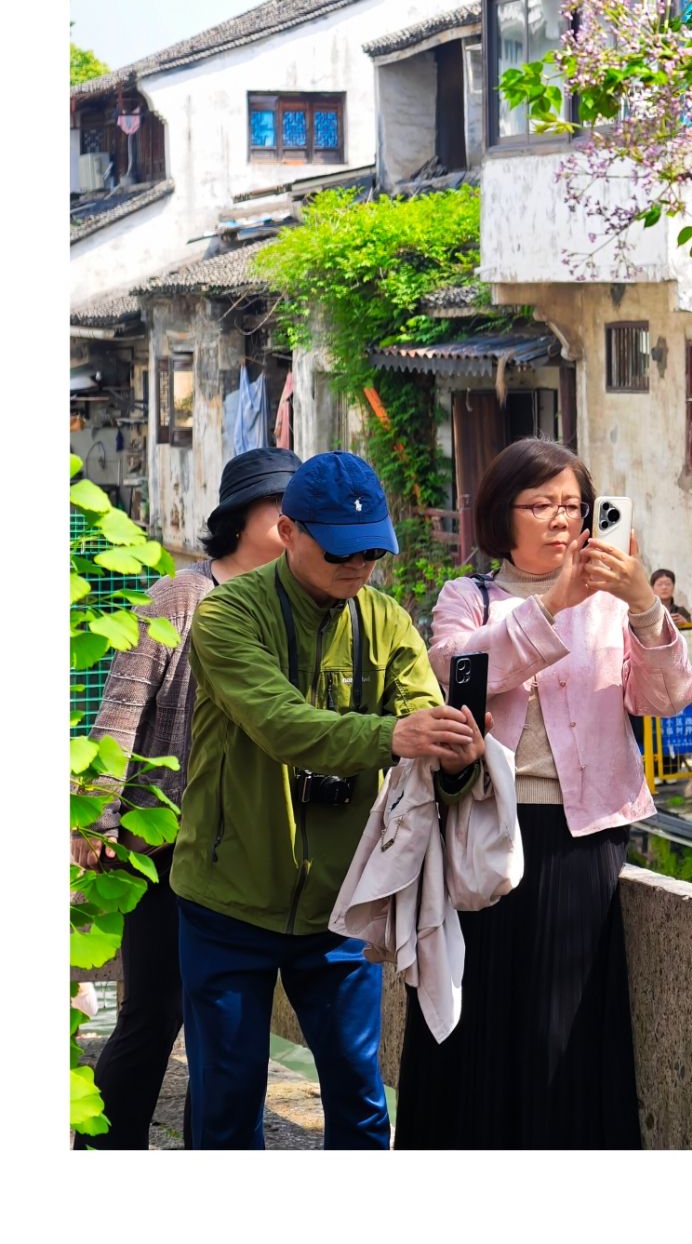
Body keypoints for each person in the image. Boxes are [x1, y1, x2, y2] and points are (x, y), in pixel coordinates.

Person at [170, 451, 483, 1150]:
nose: (359, 566)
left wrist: (457, 758)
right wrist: (396, 736)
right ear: (288, 533)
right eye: (342, 550)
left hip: (342, 903)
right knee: (227, 1103)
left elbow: (423, 722)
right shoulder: (226, 615)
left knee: (361, 1099)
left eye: (373, 550)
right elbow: (283, 725)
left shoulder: (387, 620)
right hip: (227, 898)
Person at [393, 437, 692, 1150]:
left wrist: (643, 607)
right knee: (471, 1012)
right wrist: (557, 600)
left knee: (565, 1023)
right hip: (483, 830)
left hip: (584, 836)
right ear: (504, 514)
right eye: (541, 505)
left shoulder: (613, 607)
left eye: (573, 505)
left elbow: (664, 699)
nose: (562, 519)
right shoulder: (467, 598)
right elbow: (460, 674)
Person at [72, 446, 301, 1151]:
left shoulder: (299, 600)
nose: (293, 518)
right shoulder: (182, 595)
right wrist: (97, 815)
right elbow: (121, 708)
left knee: (227, 1020)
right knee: (155, 1008)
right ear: (240, 516)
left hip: (253, 844)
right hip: (166, 837)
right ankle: (107, 1152)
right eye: (279, 504)